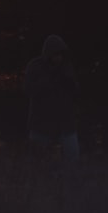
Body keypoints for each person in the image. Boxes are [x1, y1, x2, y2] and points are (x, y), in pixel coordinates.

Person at [24, 34, 80, 162]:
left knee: (72, 155)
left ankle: (69, 180)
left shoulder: (66, 67)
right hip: (41, 122)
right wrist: (47, 82)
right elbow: (28, 89)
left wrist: (68, 82)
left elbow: (75, 91)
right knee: (36, 159)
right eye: (56, 54)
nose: (58, 57)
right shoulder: (36, 66)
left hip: (65, 122)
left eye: (61, 54)